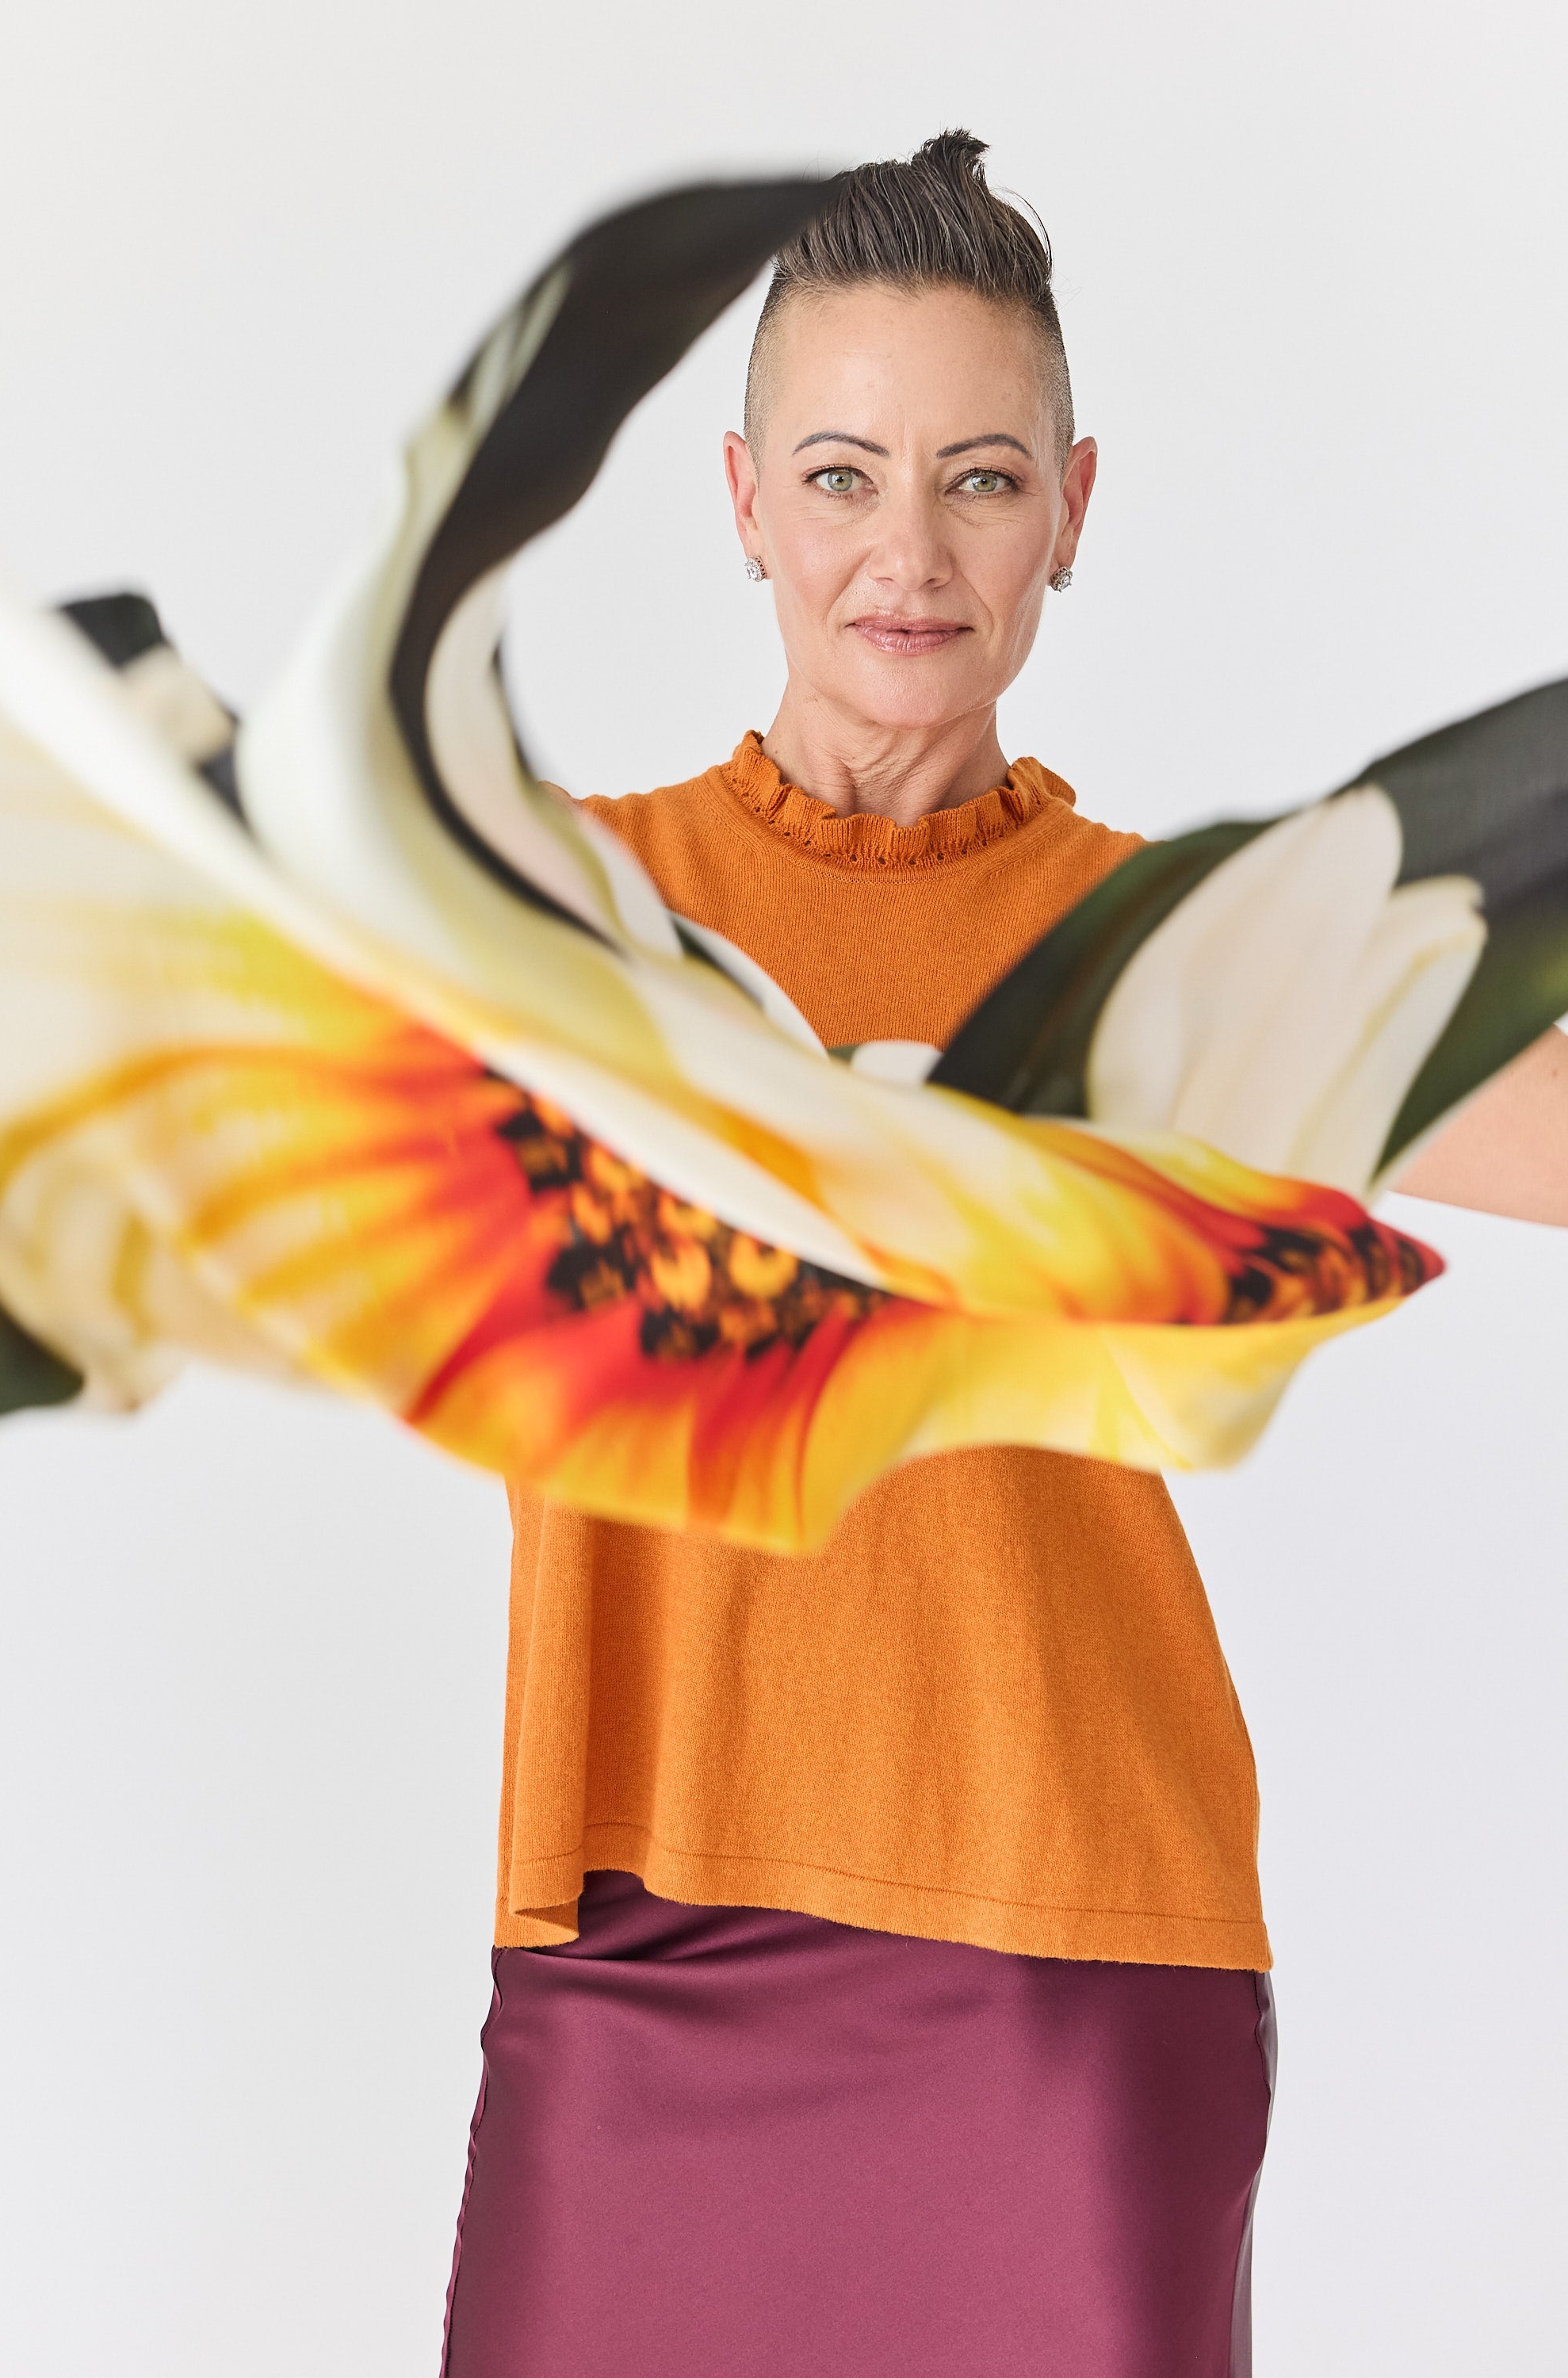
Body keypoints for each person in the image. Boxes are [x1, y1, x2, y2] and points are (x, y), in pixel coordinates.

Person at [435, 132, 1568, 2377]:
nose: (909, 553)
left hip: (1072, 1959)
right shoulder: (554, 910)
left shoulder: (1180, 947)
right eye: (842, 477)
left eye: (980, 479)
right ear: (745, 503)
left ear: (1071, 505)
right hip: (633, 1944)